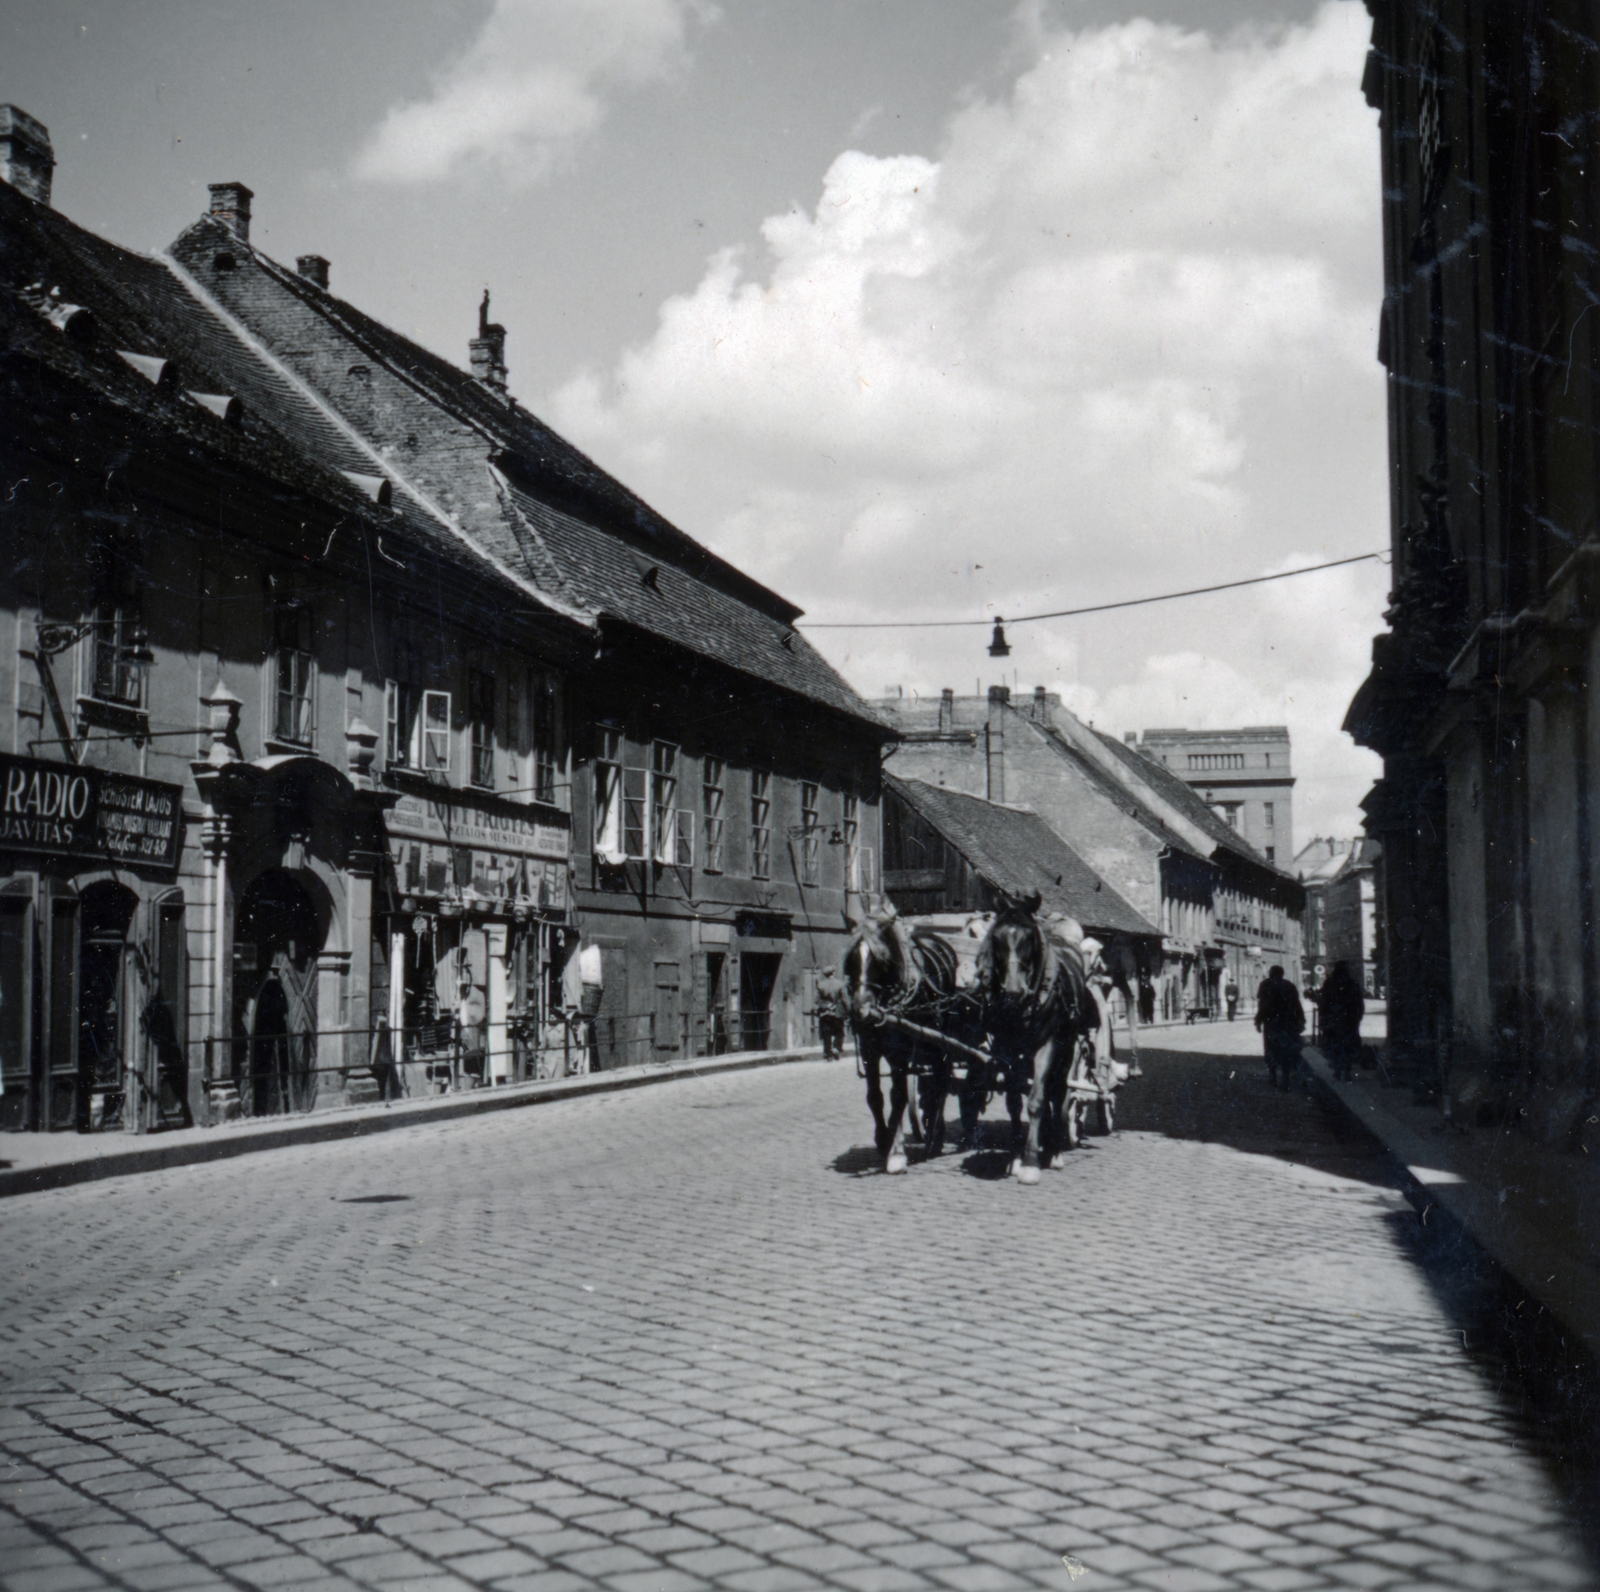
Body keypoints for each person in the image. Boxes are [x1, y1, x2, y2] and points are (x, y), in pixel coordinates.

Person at [1254, 964, 1305, 1090]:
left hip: (1271, 1022)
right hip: (1287, 1023)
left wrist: (1258, 1021)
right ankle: (1285, 1078)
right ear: (1282, 974)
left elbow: (1263, 1005)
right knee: (1286, 1050)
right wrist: (1301, 1020)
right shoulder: (1289, 985)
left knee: (1271, 1048)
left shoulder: (1265, 985)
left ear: (1271, 973)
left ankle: (1273, 1076)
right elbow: (1296, 1004)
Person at [1316, 961, 1365, 1080]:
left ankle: (1338, 1070)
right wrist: (1357, 1018)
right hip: (1349, 1021)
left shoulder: (1329, 983)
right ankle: (1347, 1071)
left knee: (1335, 1045)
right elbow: (1359, 1003)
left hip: (1333, 1020)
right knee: (1348, 1046)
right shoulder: (1353, 984)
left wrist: (1323, 1018)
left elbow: (1324, 1002)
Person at [815, 967, 849, 1061]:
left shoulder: (820, 985)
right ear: (833, 973)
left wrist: (826, 1006)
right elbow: (845, 1000)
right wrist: (848, 1011)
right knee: (839, 1033)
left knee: (826, 1034)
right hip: (837, 1013)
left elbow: (817, 1000)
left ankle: (828, 1054)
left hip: (825, 1014)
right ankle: (836, 1048)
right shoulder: (840, 984)